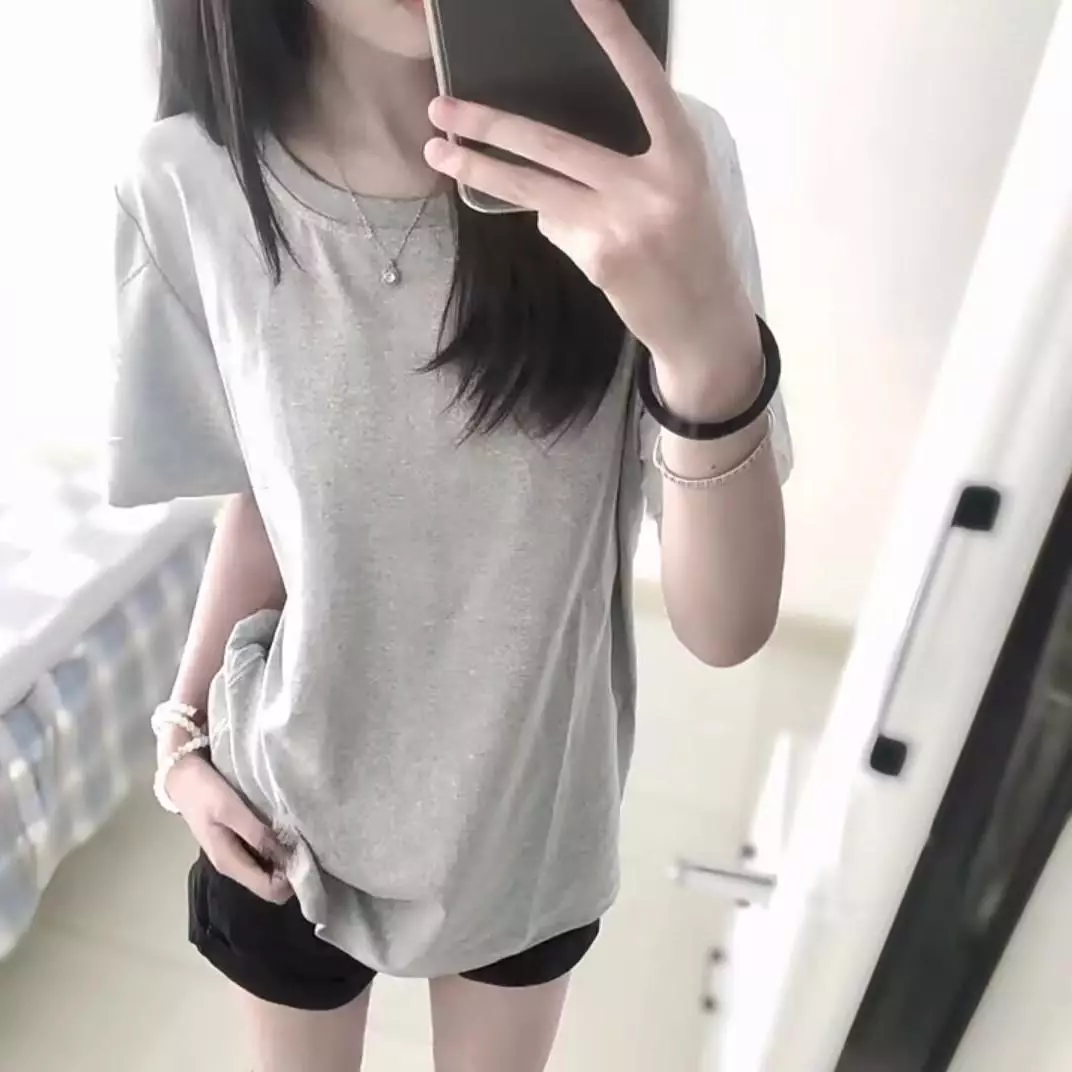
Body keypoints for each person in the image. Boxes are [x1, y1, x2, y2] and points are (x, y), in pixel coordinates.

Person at [108, 0, 793, 1068]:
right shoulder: (187, 180)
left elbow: (728, 625)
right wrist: (182, 739)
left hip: (527, 824)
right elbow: (274, 503)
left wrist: (706, 345)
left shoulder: (660, 175)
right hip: (284, 817)